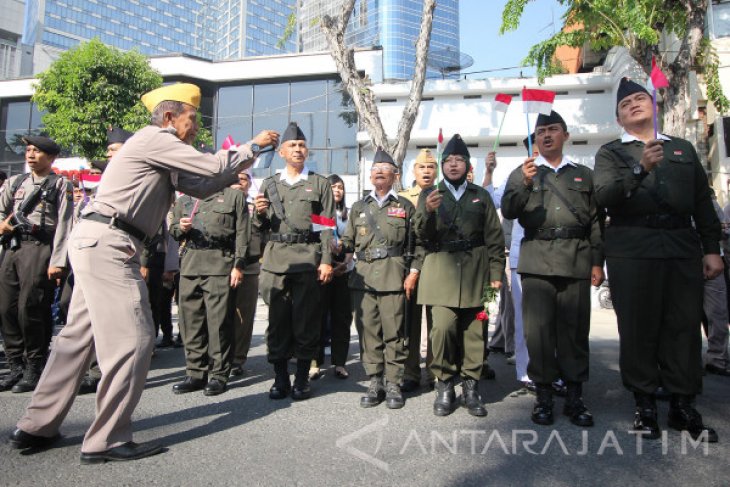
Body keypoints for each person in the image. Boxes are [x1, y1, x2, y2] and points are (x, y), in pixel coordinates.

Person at [8, 82, 278, 463]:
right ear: (170, 116)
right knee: (135, 340)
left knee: (76, 342)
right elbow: (216, 165)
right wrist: (254, 143)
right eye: (192, 119)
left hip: (100, 241)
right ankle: (108, 439)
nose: (197, 127)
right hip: (111, 243)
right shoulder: (156, 138)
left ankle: (36, 425)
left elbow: (204, 185)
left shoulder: (160, 151)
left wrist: (246, 158)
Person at [594, 77, 722, 442]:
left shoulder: (681, 149)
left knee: (682, 327)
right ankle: (645, 405)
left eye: (639, 99)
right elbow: (605, 195)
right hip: (632, 249)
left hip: (681, 247)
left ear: (654, 105)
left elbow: (701, 201)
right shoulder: (611, 153)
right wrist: (641, 169)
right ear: (619, 119)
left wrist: (711, 248)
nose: (633, 105)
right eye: (625, 105)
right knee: (638, 327)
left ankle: (683, 406)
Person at [501, 111, 604, 427]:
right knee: (540, 334)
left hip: (576, 259)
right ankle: (543, 398)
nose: (546, 135)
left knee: (574, 332)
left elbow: (596, 222)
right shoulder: (523, 173)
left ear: (565, 135)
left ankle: (575, 398)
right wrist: (526, 183)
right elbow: (509, 209)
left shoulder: (583, 175)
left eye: (553, 130)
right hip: (537, 262)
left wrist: (597, 262)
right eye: (541, 131)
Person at [415, 134, 505, 417]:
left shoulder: (481, 195)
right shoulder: (429, 195)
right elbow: (420, 234)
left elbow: (494, 237)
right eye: (449, 160)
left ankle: (471, 386)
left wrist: (496, 275)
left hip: (481, 276)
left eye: (459, 160)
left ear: (467, 165)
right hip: (440, 274)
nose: (453, 165)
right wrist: (428, 212)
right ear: (442, 165)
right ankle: (444, 385)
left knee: (477, 329)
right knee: (441, 329)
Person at [255, 121, 335, 401]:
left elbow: (326, 227)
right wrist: (260, 214)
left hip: (307, 261)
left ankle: (301, 379)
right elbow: (260, 229)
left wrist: (326, 260)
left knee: (306, 322)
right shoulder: (270, 184)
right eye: (292, 145)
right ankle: (279, 379)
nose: (298, 150)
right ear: (281, 152)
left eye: (302, 145)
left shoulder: (319, 184)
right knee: (277, 322)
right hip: (276, 261)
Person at [341, 150, 421, 408]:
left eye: (384, 168)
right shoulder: (359, 207)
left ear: (395, 175)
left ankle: (394, 383)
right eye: (375, 168)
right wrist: (335, 246)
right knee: (368, 333)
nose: (378, 172)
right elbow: (348, 242)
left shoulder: (405, 207)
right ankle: (375, 381)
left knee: (394, 332)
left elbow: (418, 244)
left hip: (393, 276)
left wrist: (413, 273)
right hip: (362, 278)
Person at [0, 135, 73, 393]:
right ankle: (15, 366)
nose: (30, 154)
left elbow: (65, 224)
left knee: (30, 307)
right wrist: (2, 224)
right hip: (12, 247)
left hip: (40, 247)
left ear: (51, 157)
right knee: (7, 308)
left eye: (37, 151)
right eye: (29, 150)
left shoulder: (59, 184)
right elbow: (1, 210)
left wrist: (58, 261)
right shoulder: (15, 182)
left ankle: (34, 365)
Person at [170, 183, 248, 396]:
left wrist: (238, 265)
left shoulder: (233, 196)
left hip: (220, 263)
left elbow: (242, 233)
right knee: (191, 322)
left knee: (219, 322)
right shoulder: (185, 198)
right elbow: (174, 230)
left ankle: (219, 374)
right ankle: (195, 372)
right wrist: (181, 228)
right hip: (190, 265)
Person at [399, 149, 436, 391]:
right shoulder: (402, 198)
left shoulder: (444, 196)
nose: (426, 171)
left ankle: (434, 372)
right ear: (413, 171)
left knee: (436, 323)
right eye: (421, 167)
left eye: (431, 167)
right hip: (409, 265)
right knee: (409, 323)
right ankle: (410, 372)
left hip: (435, 265)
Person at [311, 174, 354, 380]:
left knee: (342, 318)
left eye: (340, 187)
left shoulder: (349, 214)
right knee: (317, 317)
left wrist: (346, 261)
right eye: (333, 187)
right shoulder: (318, 213)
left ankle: (340, 363)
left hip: (344, 270)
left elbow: (353, 240)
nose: (337, 190)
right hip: (323, 269)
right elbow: (319, 238)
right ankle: (314, 362)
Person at [230, 170, 264, 377]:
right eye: (235, 178)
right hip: (221, 267)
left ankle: (237, 358)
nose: (238, 182)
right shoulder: (218, 203)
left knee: (243, 317)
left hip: (249, 269)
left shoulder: (255, 209)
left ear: (249, 183)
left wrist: (260, 216)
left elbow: (264, 235)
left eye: (243, 179)